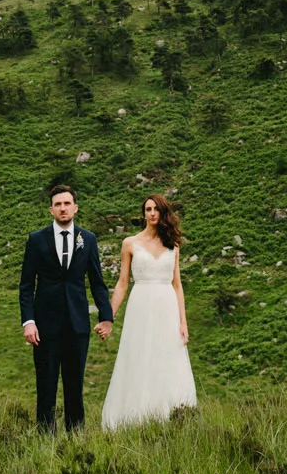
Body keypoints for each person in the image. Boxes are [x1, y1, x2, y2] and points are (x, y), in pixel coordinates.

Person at [19, 184, 114, 432]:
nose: (63, 208)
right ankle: (44, 441)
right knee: (46, 386)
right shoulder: (36, 239)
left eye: (67, 203)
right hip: (44, 327)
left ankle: (76, 442)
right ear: (51, 209)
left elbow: (97, 283)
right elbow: (26, 285)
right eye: (58, 204)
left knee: (74, 387)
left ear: (75, 207)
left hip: (77, 325)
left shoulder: (88, 239)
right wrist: (28, 322)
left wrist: (107, 318)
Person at [100, 193, 197, 430]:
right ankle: (134, 417)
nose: (152, 213)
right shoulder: (130, 243)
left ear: (163, 213)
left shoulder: (172, 244)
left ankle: (169, 416)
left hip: (166, 306)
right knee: (139, 355)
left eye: (156, 209)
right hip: (140, 305)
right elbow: (123, 283)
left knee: (166, 357)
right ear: (143, 213)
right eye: (148, 209)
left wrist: (183, 322)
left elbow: (177, 284)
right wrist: (108, 316)